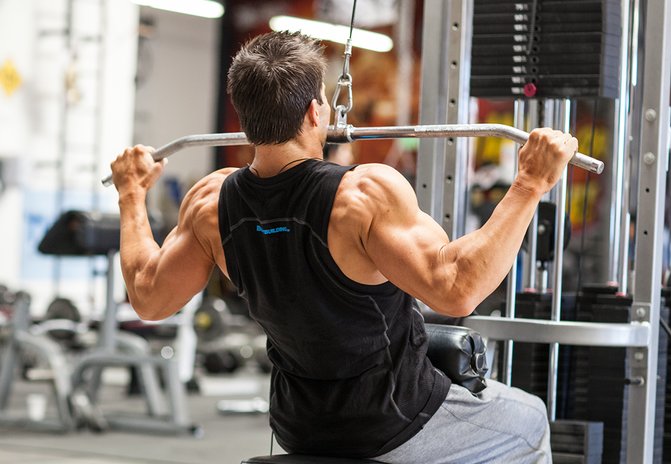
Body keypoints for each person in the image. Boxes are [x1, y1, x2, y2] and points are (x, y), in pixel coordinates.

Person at [110, 31, 577, 463]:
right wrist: (530, 183)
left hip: (298, 425)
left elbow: (150, 298)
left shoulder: (210, 204)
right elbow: (456, 288)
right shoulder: (361, 196)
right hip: (394, 421)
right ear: (315, 112)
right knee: (530, 418)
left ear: (243, 114)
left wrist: (132, 196)